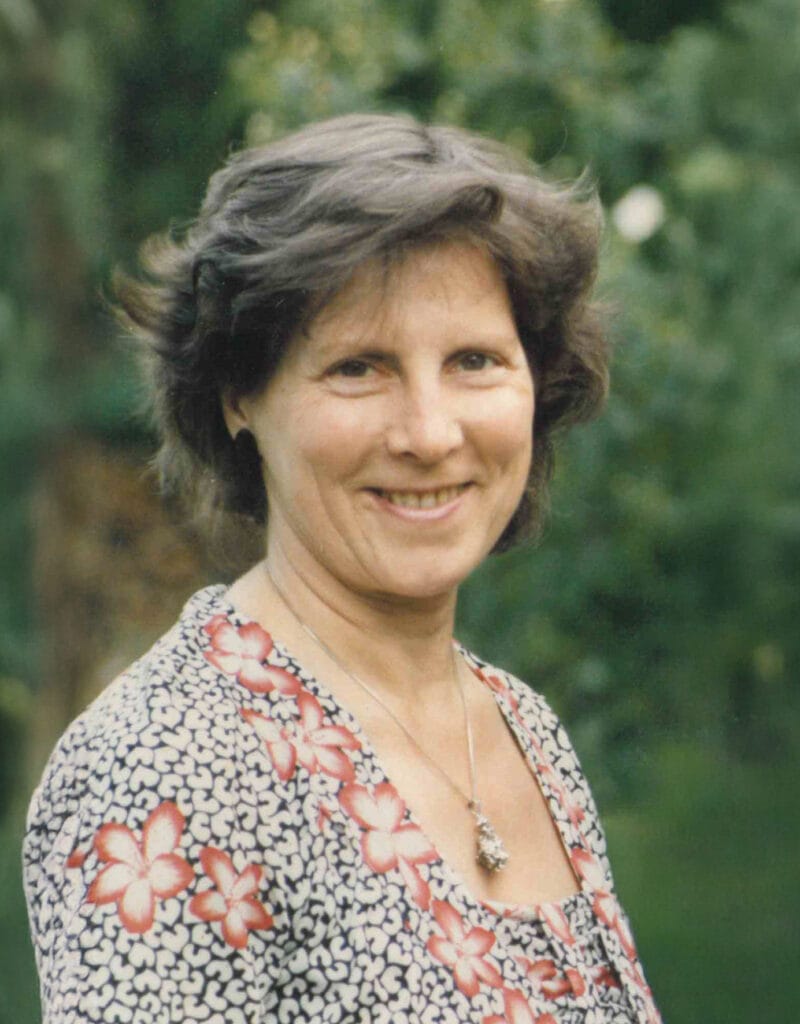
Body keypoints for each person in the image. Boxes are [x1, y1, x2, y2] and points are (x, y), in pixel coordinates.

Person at [24, 113, 661, 1024]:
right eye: (360, 368)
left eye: (474, 360)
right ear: (239, 394)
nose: (430, 433)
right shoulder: (169, 768)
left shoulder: (521, 728)